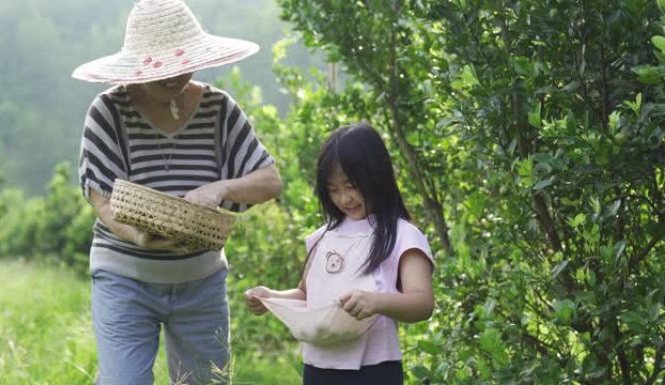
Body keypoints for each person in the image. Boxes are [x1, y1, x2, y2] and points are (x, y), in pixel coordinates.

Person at [72, 1, 282, 384]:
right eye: (161, 70)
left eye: (180, 66)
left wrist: (221, 188)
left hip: (201, 280)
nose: (173, 79)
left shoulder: (219, 109)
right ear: (137, 66)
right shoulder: (107, 111)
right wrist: (142, 236)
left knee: (207, 381)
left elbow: (270, 181)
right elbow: (101, 200)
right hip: (125, 277)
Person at [245, 123, 434, 385]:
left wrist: (376, 302)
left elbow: (423, 303)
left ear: (376, 176)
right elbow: (306, 294)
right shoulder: (324, 236)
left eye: (351, 185)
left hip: (374, 369)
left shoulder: (402, 235)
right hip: (318, 366)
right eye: (333, 190)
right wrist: (271, 297)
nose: (344, 198)